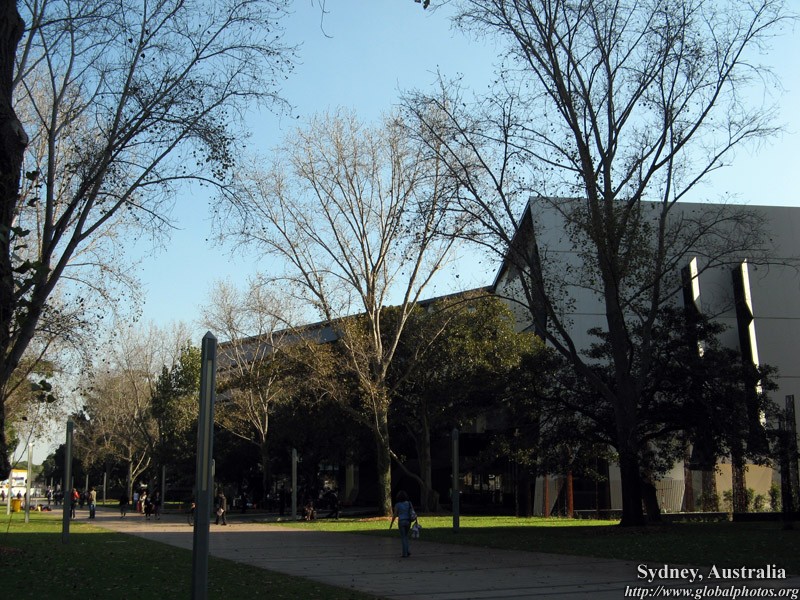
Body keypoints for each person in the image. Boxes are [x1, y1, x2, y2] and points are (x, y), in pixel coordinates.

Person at [389, 490, 416, 558]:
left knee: (403, 537)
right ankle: (407, 550)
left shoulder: (397, 505)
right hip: (408, 521)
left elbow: (395, 514)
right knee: (406, 536)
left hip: (401, 521)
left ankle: (405, 553)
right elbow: (412, 511)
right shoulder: (409, 503)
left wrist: (392, 523)